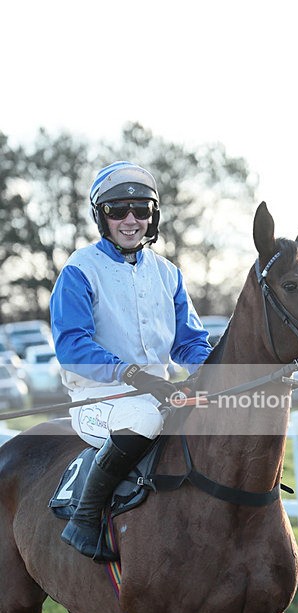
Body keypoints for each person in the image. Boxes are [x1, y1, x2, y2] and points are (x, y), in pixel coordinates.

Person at [50, 161, 212, 562]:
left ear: (152, 216)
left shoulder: (169, 273)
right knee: (144, 419)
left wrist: (217, 374)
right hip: (97, 398)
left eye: (142, 210)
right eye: (117, 209)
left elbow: (190, 343)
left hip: (158, 393)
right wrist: (134, 374)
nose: (130, 219)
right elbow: (72, 346)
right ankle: (84, 519)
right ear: (100, 216)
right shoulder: (79, 269)